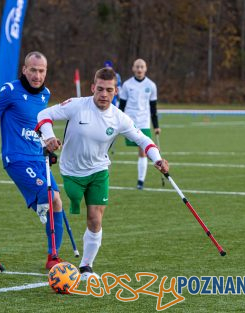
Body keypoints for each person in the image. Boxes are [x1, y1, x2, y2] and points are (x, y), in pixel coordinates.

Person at [36, 67, 169, 280]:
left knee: (95, 219)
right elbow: (44, 114)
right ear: (92, 88)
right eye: (100, 89)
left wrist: (157, 158)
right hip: (71, 171)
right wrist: (49, 137)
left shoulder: (119, 118)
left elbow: (143, 139)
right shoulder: (76, 105)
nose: (104, 94)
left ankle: (86, 267)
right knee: (73, 204)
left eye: (109, 90)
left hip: (99, 170)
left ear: (115, 92)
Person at [0, 51, 64, 270]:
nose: (37, 75)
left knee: (57, 202)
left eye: (41, 70)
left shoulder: (45, 94)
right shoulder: (9, 90)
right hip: (16, 158)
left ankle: (53, 257)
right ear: (25, 69)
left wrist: (48, 144)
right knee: (50, 196)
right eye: (33, 70)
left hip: (37, 157)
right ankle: (40, 206)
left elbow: (41, 124)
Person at [118, 58, 159, 190]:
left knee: (143, 152)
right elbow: (121, 106)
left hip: (144, 122)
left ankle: (140, 181)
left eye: (142, 67)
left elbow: (153, 108)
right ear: (133, 68)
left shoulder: (151, 85)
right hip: (129, 122)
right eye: (137, 67)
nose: (139, 69)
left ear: (145, 69)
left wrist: (156, 126)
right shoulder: (127, 85)